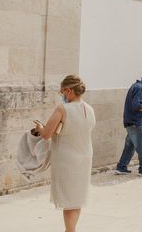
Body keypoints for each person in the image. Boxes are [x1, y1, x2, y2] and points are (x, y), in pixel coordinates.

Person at [34, 75, 96, 232]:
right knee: (77, 198)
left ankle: (70, 231)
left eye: (62, 91)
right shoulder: (89, 109)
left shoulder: (62, 109)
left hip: (66, 159)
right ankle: (71, 229)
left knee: (68, 199)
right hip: (85, 157)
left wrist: (39, 127)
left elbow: (47, 134)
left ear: (69, 90)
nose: (62, 95)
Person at [115, 71, 142, 176]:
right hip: (136, 122)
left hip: (131, 121)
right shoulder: (139, 87)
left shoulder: (136, 86)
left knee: (130, 145)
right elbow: (136, 104)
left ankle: (121, 167)